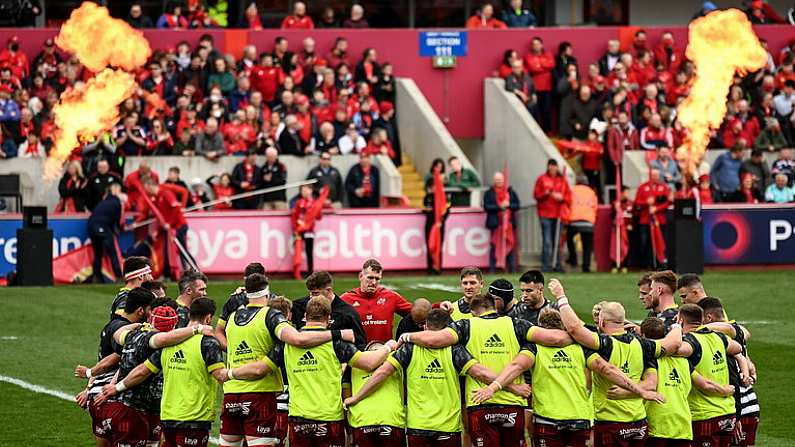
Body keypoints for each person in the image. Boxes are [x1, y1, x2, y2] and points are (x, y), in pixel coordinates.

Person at [471, 308, 664, 447]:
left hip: (548, 420)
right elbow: (607, 369)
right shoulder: (582, 348)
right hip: (579, 419)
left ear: (540, 328)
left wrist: (493, 387)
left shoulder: (534, 348)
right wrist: (639, 391)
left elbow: (515, 366)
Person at [345, 308, 521, 447]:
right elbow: (480, 373)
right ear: (448, 330)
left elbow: (382, 373)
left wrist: (357, 397)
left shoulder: (408, 349)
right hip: (448, 427)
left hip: (417, 427)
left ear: (425, 327)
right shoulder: (456, 350)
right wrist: (513, 387)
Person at [220, 273, 357, 447]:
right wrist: (339, 333)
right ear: (267, 293)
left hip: (231, 393)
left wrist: (229, 373)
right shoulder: (270, 316)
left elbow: (219, 334)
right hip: (259, 394)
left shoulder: (232, 318)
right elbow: (299, 340)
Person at [550, 279, 683, 447]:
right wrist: (678, 327)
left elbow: (575, 329)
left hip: (611, 423)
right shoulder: (642, 344)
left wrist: (561, 296)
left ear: (601, 321)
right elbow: (672, 344)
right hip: (638, 423)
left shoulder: (603, 344)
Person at [106, 298, 227, 447]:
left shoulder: (170, 342)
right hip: (194, 419)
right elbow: (220, 375)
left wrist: (116, 387)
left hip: (168, 416)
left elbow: (142, 371)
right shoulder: (208, 343)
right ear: (209, 318)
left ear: (189, 315)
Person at [74, 288, 155, 447]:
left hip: (97, 397)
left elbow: (103, 359)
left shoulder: (112, 325)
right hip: (111, 398)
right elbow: (114, 359)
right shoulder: (126, 330)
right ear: (140, 310)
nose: (152, 314)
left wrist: (89, 386)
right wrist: (91, 374)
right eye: (150, 309)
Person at [674, 304, 748, 447]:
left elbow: (674, 349)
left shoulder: (691, 342)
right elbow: (737, 347)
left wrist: (675, 331)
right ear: (702, 319)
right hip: (728, 413)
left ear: (680, 320)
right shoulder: (718, 338)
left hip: (705, 416)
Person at [697, 298, 760, 447]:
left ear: (709, 318)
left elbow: (733, 377)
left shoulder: (719, 338)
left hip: (739, 408)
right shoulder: (736, 330)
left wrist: (736, 416)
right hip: (750, 403)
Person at [341, 259, 413, 343]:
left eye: (377, 279)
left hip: (384, 353)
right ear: (360, 276)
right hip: (357, 353)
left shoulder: (391, 297)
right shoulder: (346, 299)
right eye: (370, 278)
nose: (374, 282)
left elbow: (417, 312)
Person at [291, 271, 367, 349]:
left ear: (329, 290)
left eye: (316, 293)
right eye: (310, 293)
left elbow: (360, 345)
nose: (311, 297)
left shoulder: (348, 314)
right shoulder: (299, 306)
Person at [140, 177, 194, 274]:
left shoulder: (166, 193)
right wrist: (159, 229)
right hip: (172, 228)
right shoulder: (156, 198)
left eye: (146, 189)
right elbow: (161, 217)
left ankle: (194, 270)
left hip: (179, 226)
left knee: (182, 249)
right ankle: (184, 272)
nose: (146, 191)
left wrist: (170, 223)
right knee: (177, 250)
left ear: (150, 186)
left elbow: (176, 208)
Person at [214, 262, 267, 350]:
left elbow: (219, 331)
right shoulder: (235, 300)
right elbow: (219, 331)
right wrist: (231, 350)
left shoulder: (273, 301)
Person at [534, 159, 571, 272]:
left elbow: (569, 197)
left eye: (554, 166)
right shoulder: (542, 179)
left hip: (558, 214)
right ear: (548, 167)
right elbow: (536, 195)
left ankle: (557, 264)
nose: (553, 168)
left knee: (558, 241)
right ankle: (546, 265)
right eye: (551, 166)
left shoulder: (562, 180)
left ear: (557, 167)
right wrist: (545, 194)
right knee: (547, 241)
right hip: (545, 214)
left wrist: (562, 197)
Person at [87, 182, 125, 283]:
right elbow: (117, 221)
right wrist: (118, 230)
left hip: (91, 227)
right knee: (112, 253)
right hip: (102, 227)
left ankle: (96, 276)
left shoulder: (103, 201)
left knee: (98, 254)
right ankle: (119, 277)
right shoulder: (117, 203)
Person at [484, 171, 520, 272]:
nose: (498, 181)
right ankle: (493, 268)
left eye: (500, 180)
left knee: (510, 245)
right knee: (494, 246)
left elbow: (517, 205)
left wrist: (508, 205)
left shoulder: (511, 192)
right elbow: (486, 206)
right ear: (494, 181)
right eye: (497, 180)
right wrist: (499, 207)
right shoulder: (489, 193)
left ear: (504, 180)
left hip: (508, 224)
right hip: (495, 224)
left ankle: (511, 268)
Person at [634, 169, 670, 269]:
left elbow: (667, 203)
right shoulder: (643, 187)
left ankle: (659, 263)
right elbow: (637, 202)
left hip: (659, 220)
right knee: (645, 242)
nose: (655, 177)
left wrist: (656, 208)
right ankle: (646, 264)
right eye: (653, 175)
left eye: (657, 175)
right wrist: (646, 202)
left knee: (659, 242)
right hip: (645, 220)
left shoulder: (664, 187)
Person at [565, 176, 597, 273]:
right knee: (587, 245)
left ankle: (573, 258)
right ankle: (586, 267)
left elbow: (567, 203)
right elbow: (595, 207)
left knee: (569, 238)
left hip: (574, 220)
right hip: (588, 221)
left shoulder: (572, 190)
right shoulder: (591, 192)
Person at [525, 37, 555, 131]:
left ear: (542, 45)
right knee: (536, 111)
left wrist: (539, 63)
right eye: (534, 44)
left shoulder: (548, 54)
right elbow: (532, 68)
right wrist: (544, 66)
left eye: (538, 44)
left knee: (546, 110)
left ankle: (548, 131)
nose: (536, 46)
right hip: (535, 88)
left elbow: (552, 65)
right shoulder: (528, 56)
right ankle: (537, 131)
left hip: (547, 87)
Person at [291, 184, 322, 276]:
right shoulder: (299, 202)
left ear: (311, 191)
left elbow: (319, 217)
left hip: (309, 230)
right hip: (299, 230)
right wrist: (295, 228)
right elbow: (294, 216)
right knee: (297, 251)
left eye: (305, 190)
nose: (304, 192)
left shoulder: (314, 203)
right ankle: (297, 272)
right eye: (302, 191)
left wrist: (318, 210)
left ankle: (310, 272)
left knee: (309, 251)